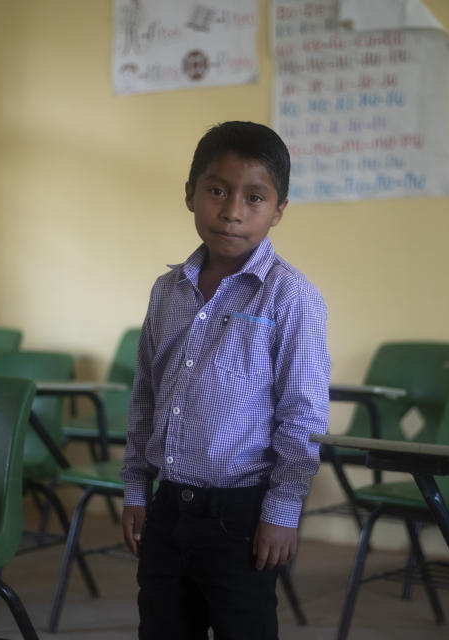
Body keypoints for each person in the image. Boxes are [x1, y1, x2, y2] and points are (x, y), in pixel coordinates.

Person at [119, 121, 331, 639]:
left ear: (278, 210)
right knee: (163, 626)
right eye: (216, 190)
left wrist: (282, 510)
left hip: (241, 514)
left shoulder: (290, 297)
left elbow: (302, 414)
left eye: (254, 198)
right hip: (169, 507)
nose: (232, 211)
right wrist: (135, 488)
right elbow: (144, 394)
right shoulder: (167, 291)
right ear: (190, 193)